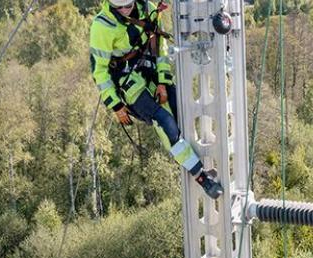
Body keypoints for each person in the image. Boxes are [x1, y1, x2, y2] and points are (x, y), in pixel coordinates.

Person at [89, 0, 224, 199]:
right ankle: (201, 177)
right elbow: (100, 73)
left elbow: (159, 48)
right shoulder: (103, 26)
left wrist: (162, 81)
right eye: (121, 8)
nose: (126, 10)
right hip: (128, 81)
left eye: (128, 5)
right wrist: (116, 105)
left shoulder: (148, 9)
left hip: (149, 68)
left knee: (181, 108)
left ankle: (202, 160)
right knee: (165, 122)